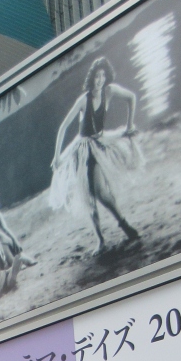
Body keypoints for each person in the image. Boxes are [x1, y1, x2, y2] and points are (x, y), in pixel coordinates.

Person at [49, 56, 142, 254]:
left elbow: (131, 98)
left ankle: (123, 223)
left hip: (99, 142)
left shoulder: (110, 91)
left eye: (103, 76)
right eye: (97, 76)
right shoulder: (84, 100)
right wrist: (56, 157)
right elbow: (63, 127)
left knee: (101, 192)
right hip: (82, 149)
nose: (99, 80)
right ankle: (100, 240)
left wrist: (129, 126)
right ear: (91, 78)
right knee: (88, 196)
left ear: (106, 77)